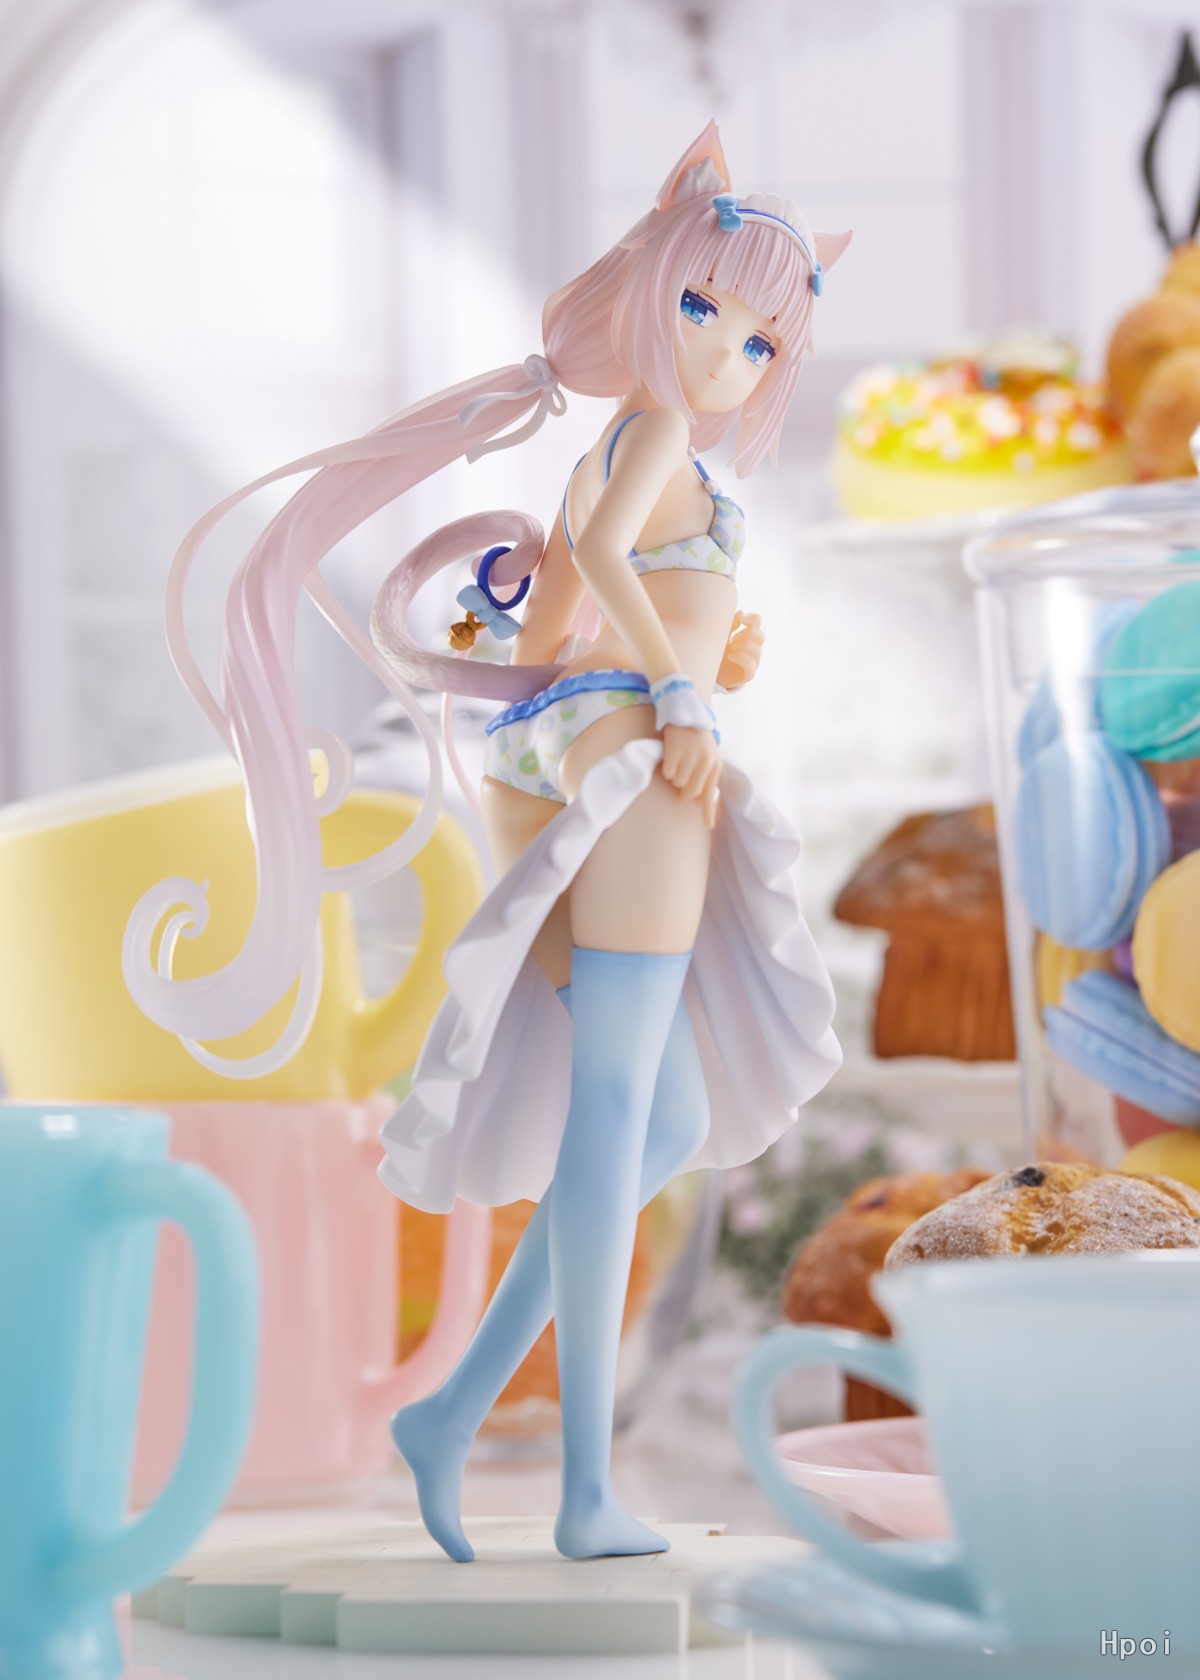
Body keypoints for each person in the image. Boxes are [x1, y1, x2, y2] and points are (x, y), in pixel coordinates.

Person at [123, 121, 847, 1562]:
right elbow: (606, 577)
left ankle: (451, 1412)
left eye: (761, 341)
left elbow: (552, 625)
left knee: (661, 1121)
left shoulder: (626, 449)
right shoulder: (651, 432)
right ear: (652, 289)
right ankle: (583, 1494)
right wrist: (680, 683)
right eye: (703, 309)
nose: (724, 355)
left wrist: (702, 645)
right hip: (632, 755)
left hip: (583, 739)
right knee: (619, 1110)